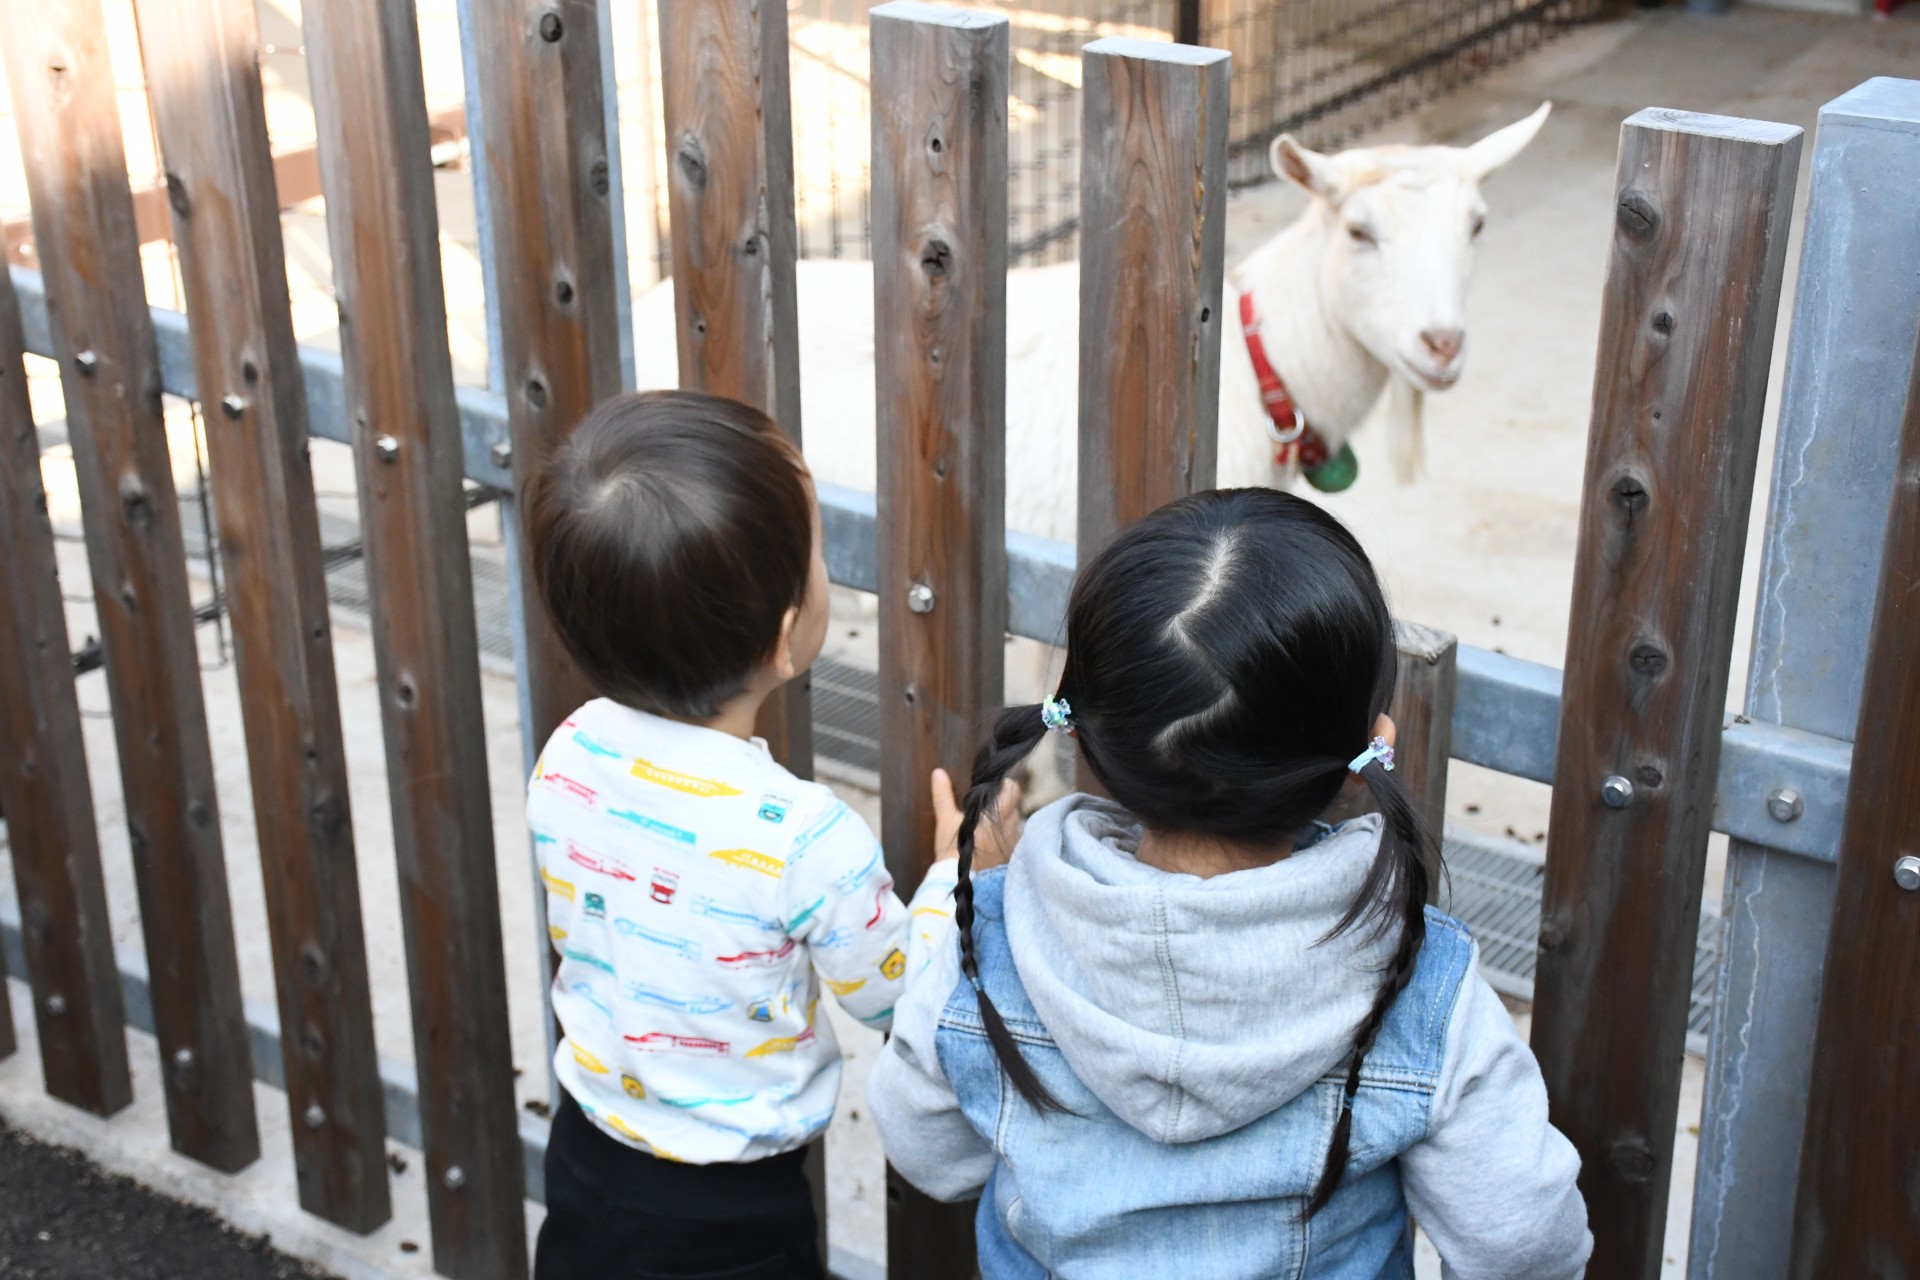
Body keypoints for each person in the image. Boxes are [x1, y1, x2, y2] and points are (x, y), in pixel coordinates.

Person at [868, 488, 1591, 1279]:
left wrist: (954, 891)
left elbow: (926, 1150)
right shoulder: (1420, 987)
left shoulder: (994, 941)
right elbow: (1523, 1241)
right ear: (1372, 745)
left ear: (1076, 727)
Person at [524, 390, 1001, 1279]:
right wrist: (950, 881)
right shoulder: (802, 837)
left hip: (589, 1153)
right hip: (733, 1207)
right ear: (789, 636)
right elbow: (893, 996)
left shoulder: (568, 755)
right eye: (819, 555)